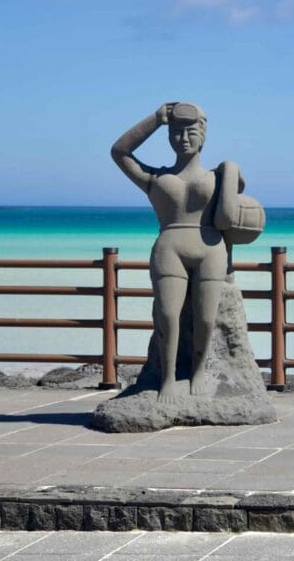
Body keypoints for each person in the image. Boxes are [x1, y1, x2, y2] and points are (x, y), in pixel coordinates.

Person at [111, 102, 241, 403]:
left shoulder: (219, 175)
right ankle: (167, 377)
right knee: (168, 315)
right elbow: (119, 152)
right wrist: (156, 120)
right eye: (176, 133)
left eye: (190, 132)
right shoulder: (154, 178)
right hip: (169, 248)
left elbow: (231, 212)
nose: (182, 138)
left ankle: (197, 371)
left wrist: (232, 172)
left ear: (203, 135)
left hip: (210, 250)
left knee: (206, 318)